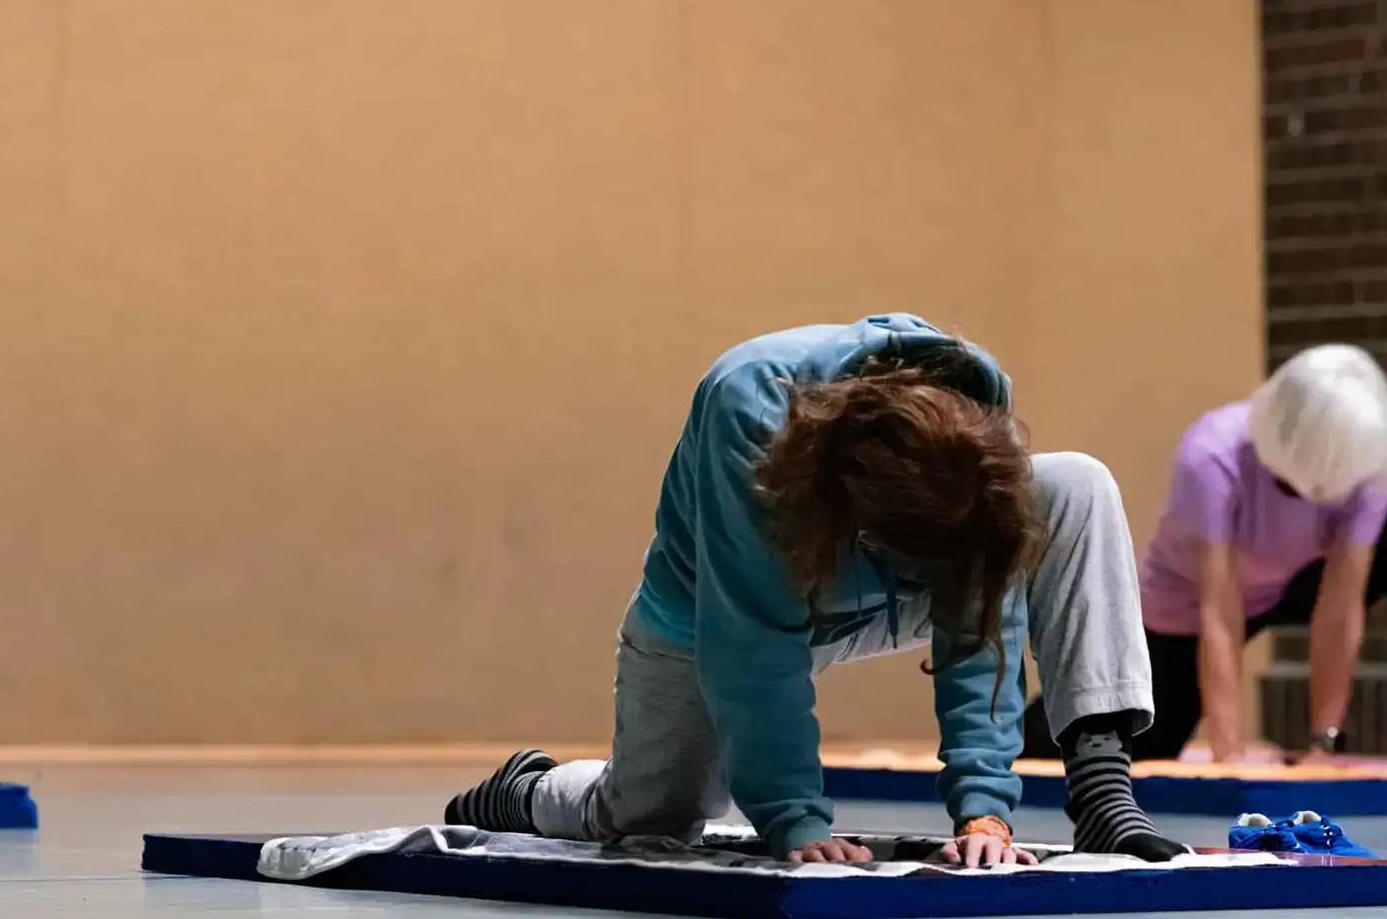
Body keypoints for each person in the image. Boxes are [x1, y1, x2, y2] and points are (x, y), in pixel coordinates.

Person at [445, 315, 1184, 868]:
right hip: (709, 613)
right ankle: (530, 787)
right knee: (651, 817)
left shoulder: (973, 417)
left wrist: (985, 812)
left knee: (1074, 483)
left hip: (880, 588)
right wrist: (795, 821)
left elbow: (984, 611)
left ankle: (1102, 787)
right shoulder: (749, 411)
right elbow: (752, 646)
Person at [1029, 343, 1387, 763]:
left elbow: (1341, 601)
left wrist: (1324, 744)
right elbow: (1219, 611)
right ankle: (1015, 733)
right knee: (1131, 740)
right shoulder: (1213, 453)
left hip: (1296, 580)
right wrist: (1230, 752)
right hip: (1186, 610)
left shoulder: (1367, 457)